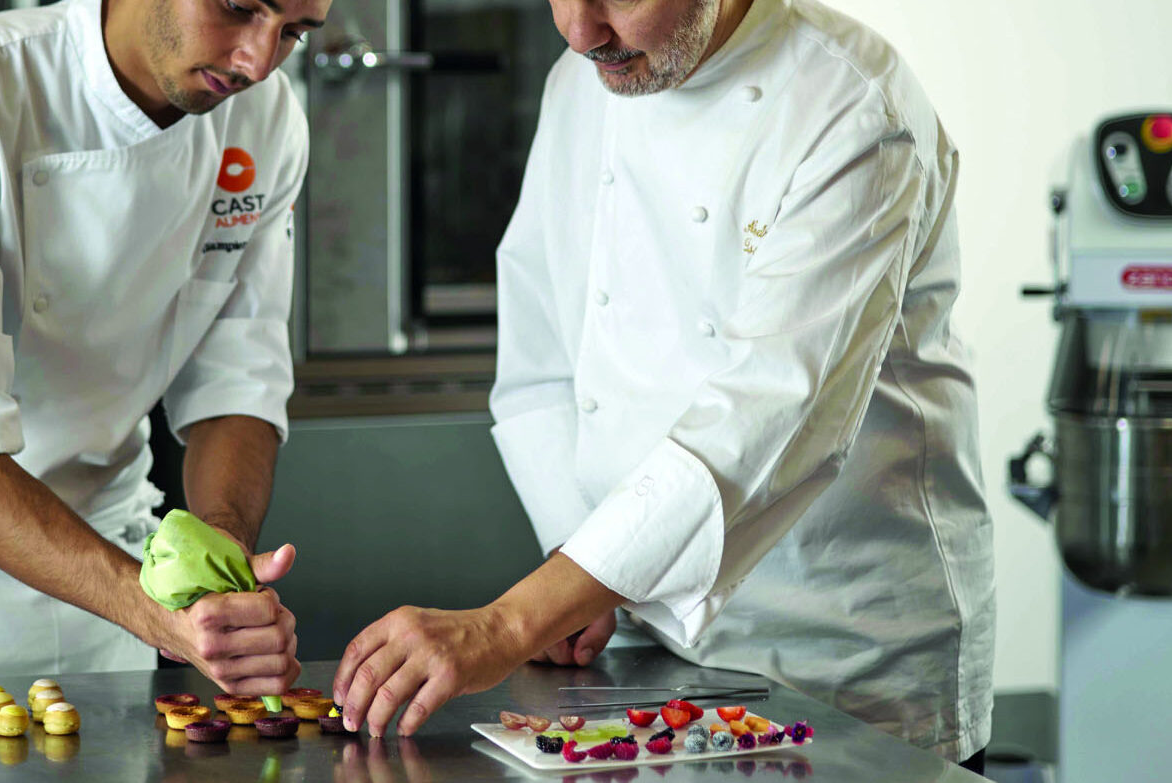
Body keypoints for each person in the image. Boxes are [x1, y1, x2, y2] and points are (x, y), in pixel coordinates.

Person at [332, 0, 994, 770]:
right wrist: (574, 577)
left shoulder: (852, 108)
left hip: (839, 649)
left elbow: (765, 424)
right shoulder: (581, 86)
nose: (581, 33)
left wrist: (509, 624)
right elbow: (542, 358)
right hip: (638, 655)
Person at [0, 0, 328, 697]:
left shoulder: (266, 119)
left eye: (294, 32)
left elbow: (237, 380)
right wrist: (153, 613)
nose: (258, 60)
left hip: (117, 562)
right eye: (238, 8)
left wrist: (218, 553)